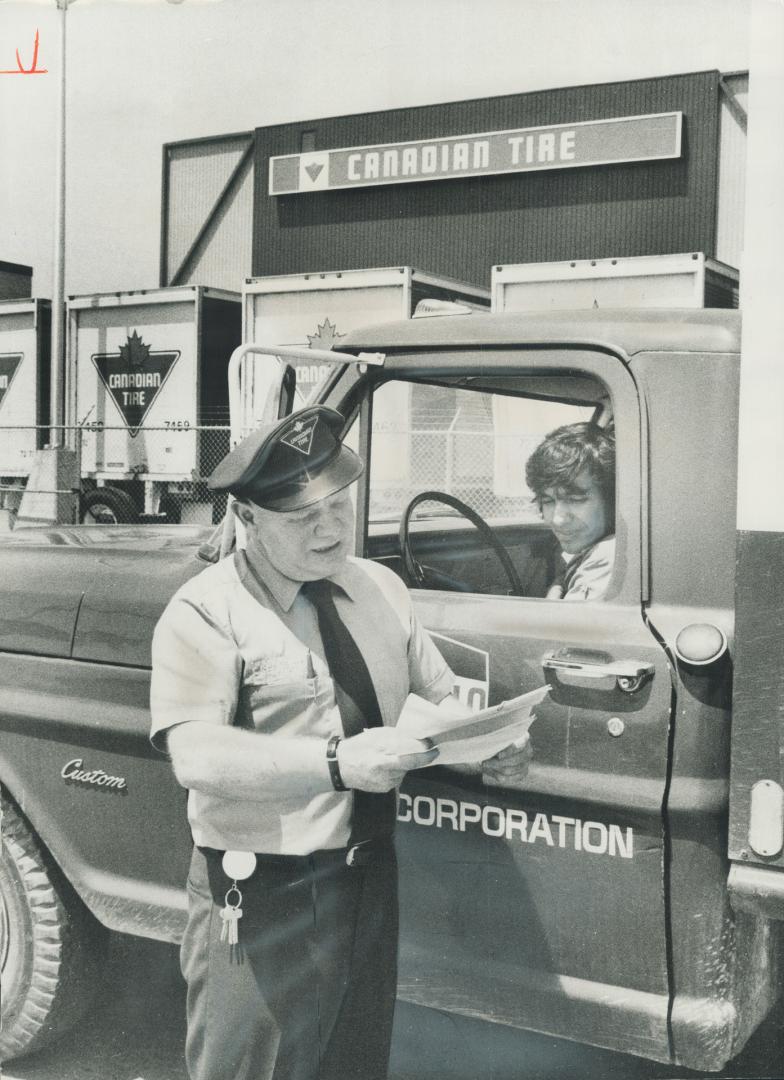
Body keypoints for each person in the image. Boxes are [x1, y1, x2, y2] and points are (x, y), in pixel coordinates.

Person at [150, 404, 533, 1080]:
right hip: (264, 893)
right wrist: (335, 763)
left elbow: (441, 699)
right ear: (248, 519)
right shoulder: (207, 609)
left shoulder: (379, 587)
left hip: (365, 881)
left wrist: (487, 747)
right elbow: (197, 755)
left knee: (354, 1065)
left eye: (340, 506)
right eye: (303, 518)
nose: (330, 529)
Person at [525, 421, 616, 601]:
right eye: (548, 500)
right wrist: (559, 584)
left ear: (612, 499)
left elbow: (557, 627)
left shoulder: (607, 557)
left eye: (575, 500)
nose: (558, 519)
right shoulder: (591, 548)